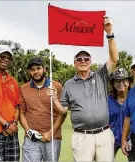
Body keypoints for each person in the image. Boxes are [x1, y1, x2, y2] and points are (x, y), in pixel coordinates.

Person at [48, 16, 119, 161]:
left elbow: (114, 59)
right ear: (74, 63)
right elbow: (63, 110)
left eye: (86, 59)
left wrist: (109, 33)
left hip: (103, 134)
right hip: (82, 136)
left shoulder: (100, 76)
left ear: (90, 62)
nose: (83, 61)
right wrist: (54, 99)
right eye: (79, 59)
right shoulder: (69, 84)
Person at [19, 58, 66, 162]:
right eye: (32, 69)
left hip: (52, 138)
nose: (36, 71)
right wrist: (28, 131)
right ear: (29, 72)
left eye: (38, 68)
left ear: (44, 69)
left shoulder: (56, 86)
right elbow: (22, 113)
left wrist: (50, 132)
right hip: (31, 138)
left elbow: (62, 113)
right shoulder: (23, 88)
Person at [108, 68, 133, 161]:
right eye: (117, 81)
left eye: (124, 80)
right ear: (113, 84)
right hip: (111, 139)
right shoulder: (107, 100)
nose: (121, 83)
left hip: (131, 139)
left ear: (129, 82)